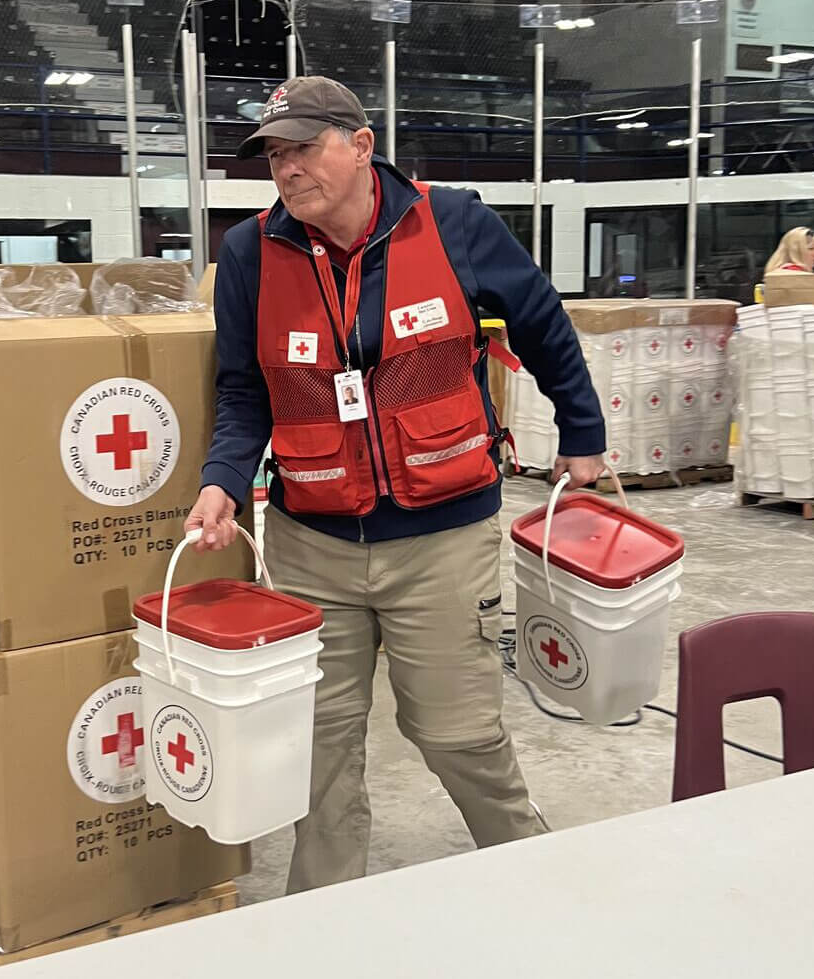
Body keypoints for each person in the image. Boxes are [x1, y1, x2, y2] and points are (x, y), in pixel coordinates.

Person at [184, 76, 606, 894]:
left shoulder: (452, 223)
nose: (286, 168)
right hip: (313, 543)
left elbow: (543, 321)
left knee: (457, 733)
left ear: (362, 145)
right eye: (274, 153)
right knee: (320, 746)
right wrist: (222, 483)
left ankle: (538, 874)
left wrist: (582, 433)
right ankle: (324, 911)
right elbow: (243, 390)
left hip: (442, 539)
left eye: (303, 147)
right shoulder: (248, 255)